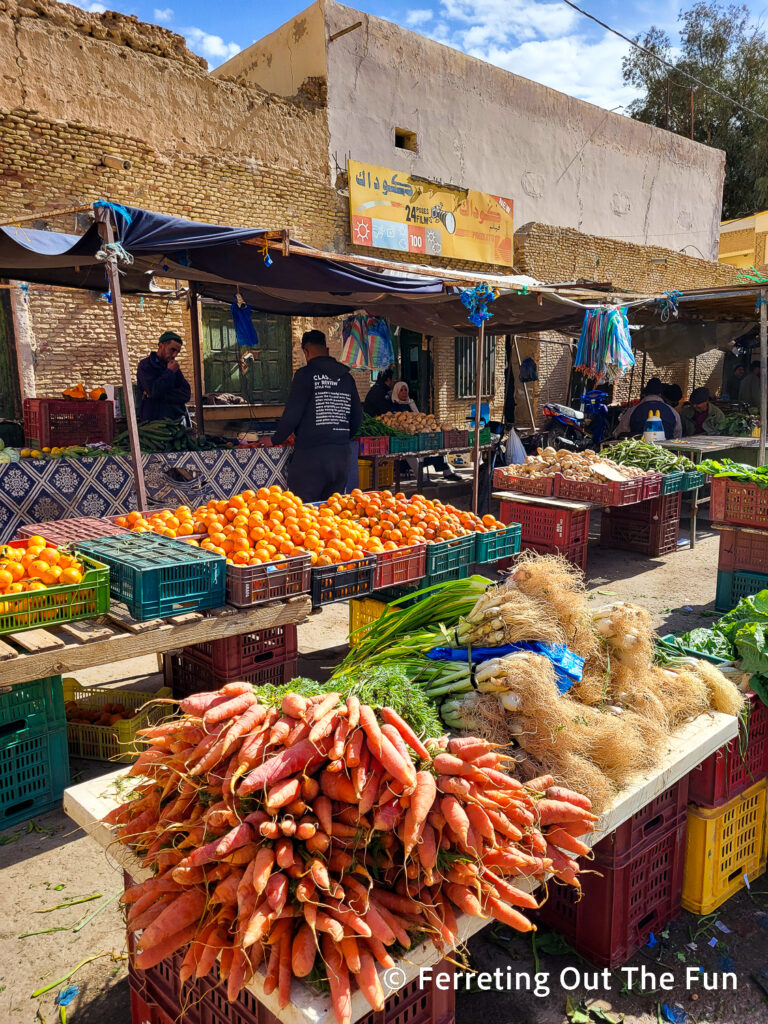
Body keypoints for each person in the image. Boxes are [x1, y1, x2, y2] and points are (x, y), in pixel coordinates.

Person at [259, 330, 362, 502]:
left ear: (306, 352)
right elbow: (357, 419)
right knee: (333, 513)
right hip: (340, 458)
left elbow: (292, 414)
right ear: (327, 349)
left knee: (305, 515)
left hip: (311, 459)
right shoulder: (346, 378)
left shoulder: (305, 376)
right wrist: (338, 437)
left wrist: (275, 439)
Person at [391, 380, 461, 482]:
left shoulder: (411, 403)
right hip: (405, 447)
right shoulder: (394, 406)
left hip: (418, 439)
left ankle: (447, 471)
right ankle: (423, 479)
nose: (404, 392)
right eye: (401, 390)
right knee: (412, 455)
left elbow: (418, 418)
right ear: (396, 392)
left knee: (437, 448)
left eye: (405, 389)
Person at [136, 331, 191, 421]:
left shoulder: (173, 367)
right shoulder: (146, 365)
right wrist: (169, 372)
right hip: (153, 424)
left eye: (177, 352)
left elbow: (186, 394)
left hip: (174, 422)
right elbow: (153, 391)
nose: (175, 355)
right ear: (161, 346)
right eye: (172, 350)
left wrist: (159, 395)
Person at [614, 377, 682, 439]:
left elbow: (620, 433)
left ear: (645, 393)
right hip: (667, 450)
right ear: (660, 394)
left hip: (639, 450)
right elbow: (678, 436)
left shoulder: (632, 411)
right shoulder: (673, 412)